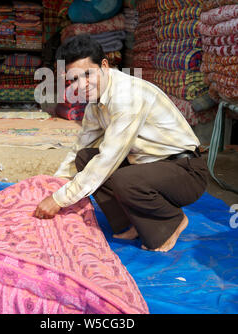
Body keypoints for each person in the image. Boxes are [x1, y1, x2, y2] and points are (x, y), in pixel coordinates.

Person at [34, 35, 209, 252]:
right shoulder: (95, 103)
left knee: (121, 178)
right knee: (85, 158)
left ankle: (170, 221)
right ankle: (131, 223)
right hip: (148, 168)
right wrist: (56, 183)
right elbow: (80, 147)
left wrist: (60, 199)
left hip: (185, 171)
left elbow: (108, 159)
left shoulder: (127, 96)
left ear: (104, 66)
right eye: (75, 79)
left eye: (88, 74)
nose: (82, 85)